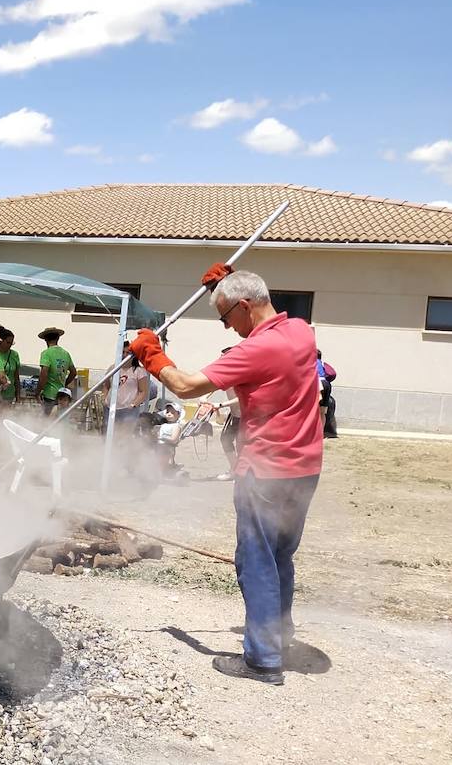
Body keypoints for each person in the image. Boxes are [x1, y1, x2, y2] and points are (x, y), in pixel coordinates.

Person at [128, 265, 322, 685]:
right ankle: (279, 637)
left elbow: (184, 386)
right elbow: (254, 308)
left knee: (256, 563)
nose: (227, 328)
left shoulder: (254, 351)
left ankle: (263, 660)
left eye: (225, 316)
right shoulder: (302, 332)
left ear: (245, 306)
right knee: (279, 558)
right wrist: (225, 285)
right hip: (304, 468)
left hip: (267, 472)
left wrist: (151, 353)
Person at [103, 341, 150, 431]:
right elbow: (106, 385)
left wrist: (133, 404)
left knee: (124, 436)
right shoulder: (113, 368)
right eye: (123, 352)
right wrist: (104, 399)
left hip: (128, 410)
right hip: (110, 407)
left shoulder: (139, 371)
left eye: (128, 353)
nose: (125, 355)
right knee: (108, 433)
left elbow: (143, 391)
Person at [36, 327, 76, 416]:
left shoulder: (46, 353)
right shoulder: (66, 353)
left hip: (49, 394)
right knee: (58, 422)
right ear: (58, 338)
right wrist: (65, 383)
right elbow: (73, 372)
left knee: (47, 421)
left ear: (45, 339)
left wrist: (38, 392)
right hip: (62, 394)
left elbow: (44, 373)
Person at [0, 325, 22, 406]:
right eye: (8, 342)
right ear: (0, 341)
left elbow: (16, 377)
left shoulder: (14, 354)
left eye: (11, 343)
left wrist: (18, 397)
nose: (10, 345)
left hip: (9, 395)